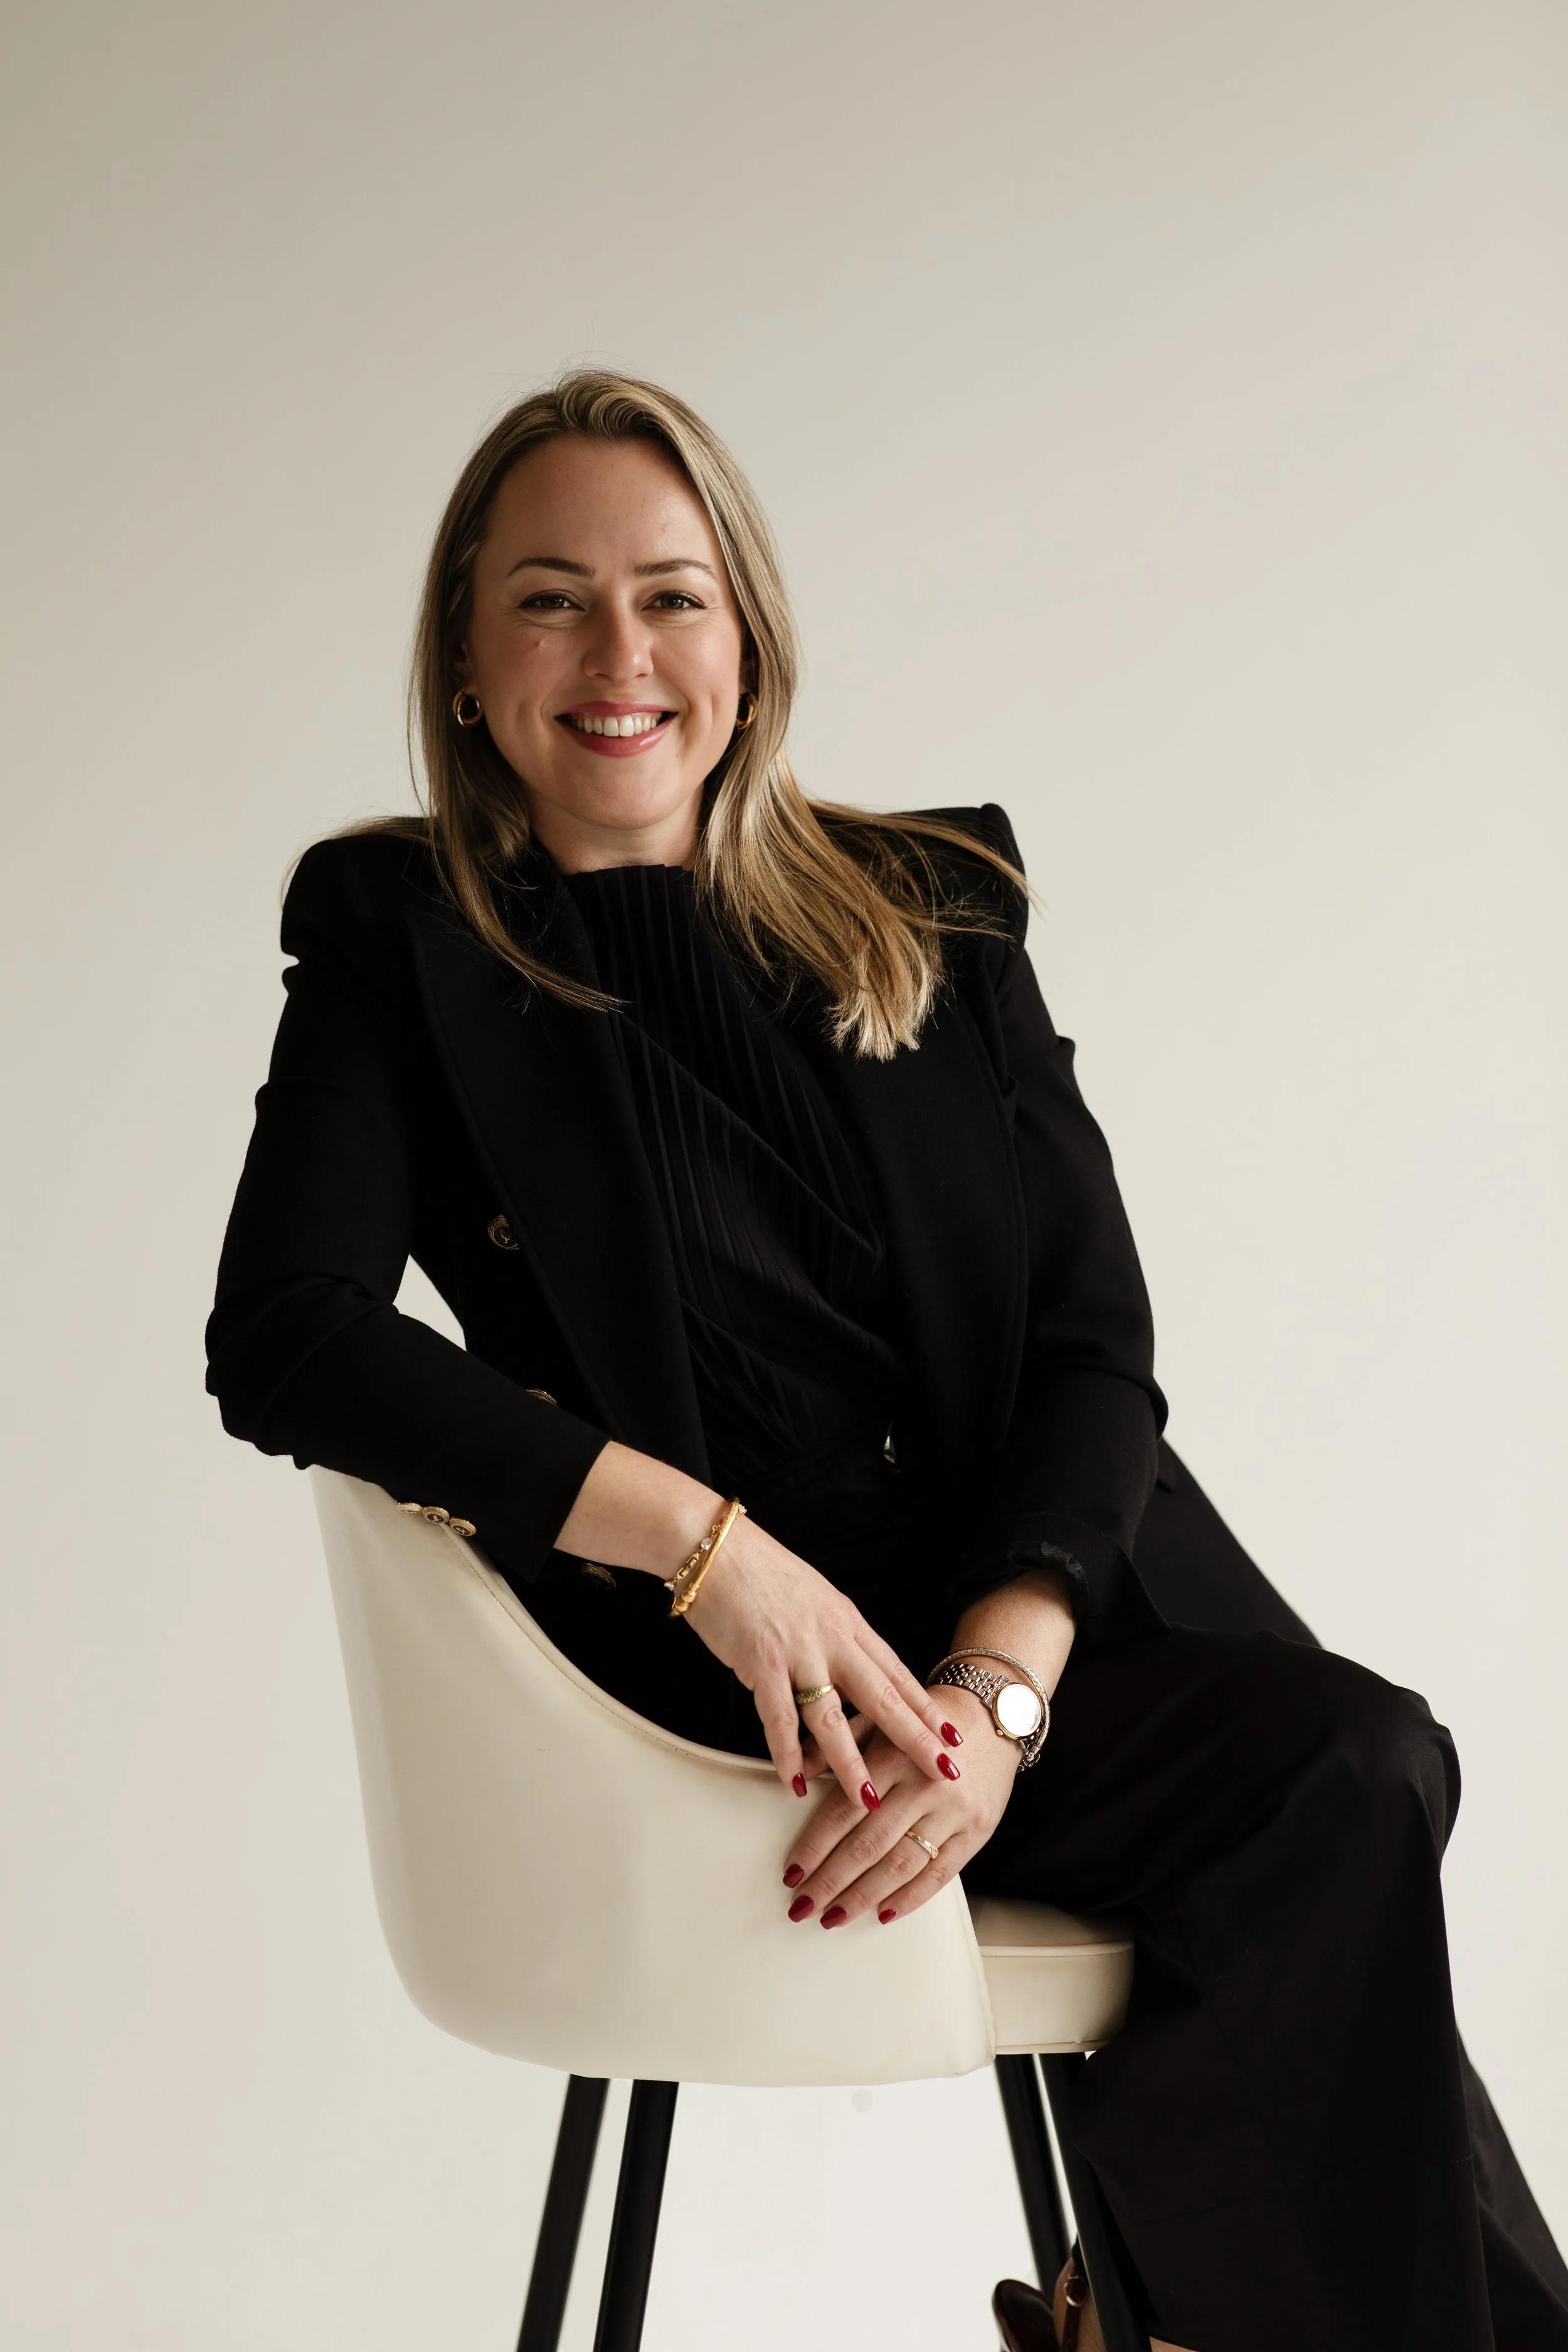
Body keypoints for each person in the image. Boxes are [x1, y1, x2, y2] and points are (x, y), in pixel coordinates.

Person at [206, 371, 1566, 2352]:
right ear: (464, 658)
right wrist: (706, 1548)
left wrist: (999, 1688)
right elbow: (287, 1336)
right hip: (725, 1663)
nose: (619, 656)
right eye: (550, 599)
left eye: (672, 595)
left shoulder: (930, 900)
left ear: (745, 640)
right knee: (1338, 1781)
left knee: (1358, 1767)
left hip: (1028, 1616)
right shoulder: (399, 935)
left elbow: (1096, 1349)